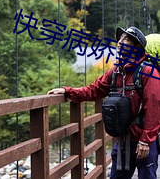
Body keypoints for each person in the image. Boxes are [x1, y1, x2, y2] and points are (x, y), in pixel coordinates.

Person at [47, 26, 160, 179]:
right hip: (123, 140)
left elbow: (154, 108)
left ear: (138, 47)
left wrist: (146, 141)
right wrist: (67, 91)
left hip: (143, 140)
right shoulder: (115, 72)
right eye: (120, 39)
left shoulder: (148, 72)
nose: (120, 42)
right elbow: (94, 90)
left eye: (126, 39)